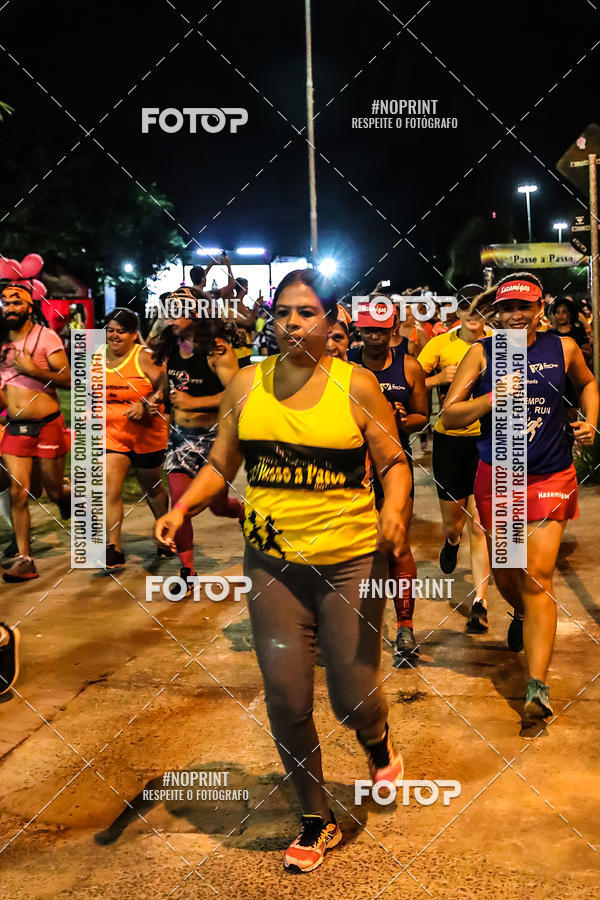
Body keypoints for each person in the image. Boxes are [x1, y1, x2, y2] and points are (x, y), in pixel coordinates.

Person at [155, 269, 411, 874]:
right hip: (271, 564)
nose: (294, 323)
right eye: (283, 313)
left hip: (351, 562)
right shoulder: (247, 383)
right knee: (287, 699)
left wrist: (396, 509)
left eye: (307, 312)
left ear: (331, 321)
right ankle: (315, 818)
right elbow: (222, 462)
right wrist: (183, 505)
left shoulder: (359, 387)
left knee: (351, 698)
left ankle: (375, 740)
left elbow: (394, 460)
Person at [441, 272, 598, 719]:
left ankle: (537, 686)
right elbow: (450, 417)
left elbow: (587, 384)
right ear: (497, 314)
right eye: (507, 308)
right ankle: (522, 615)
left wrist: (590, 421)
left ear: (539, 310)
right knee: (509, 577)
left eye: (523, 307)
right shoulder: (482, 353)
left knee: (538, 577)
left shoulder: (561, 348)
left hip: (551, 474)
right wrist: (492, 398)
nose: (515, 315)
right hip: (500, 478)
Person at [348, 300, 428, 664]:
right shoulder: (345, 365)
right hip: (350, 468)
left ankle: (405, 628)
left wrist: (400, 420)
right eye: (368, 330)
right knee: (351, 548)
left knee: (397, 543)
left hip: (395, 464)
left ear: (393, 329)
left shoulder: (408, 367)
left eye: (381, 330)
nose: (375, 337)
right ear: (359, 331)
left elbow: (422, 417)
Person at [149, 287, 243, 585]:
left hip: (214, 437)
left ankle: (243, 513)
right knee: (181, 502)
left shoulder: (218, 351)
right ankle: (187, 570)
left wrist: (195, 403)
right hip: (179, 437)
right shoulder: (171, 348)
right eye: (168, 311)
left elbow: (237, 393)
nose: (170, 318)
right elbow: (168, 386)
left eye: (177, 311)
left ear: (197, 313)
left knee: (217, 507)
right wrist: (156, 399)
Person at [417, 285, 491, 633]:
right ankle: (450, 541)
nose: (473, 315)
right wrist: (437, 378)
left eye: (479, 308)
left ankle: (480, 601)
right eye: (467, 307)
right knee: (455, 524)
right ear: (458, 311)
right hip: (449, 441)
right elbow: (412, 381)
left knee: (480, 523)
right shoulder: (439, 344)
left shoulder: (496, 342)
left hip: (485, 441)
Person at [0, 281, 71, 582]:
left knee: (53, 491)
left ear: (30, 306)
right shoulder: (0, 343)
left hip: (47, 426)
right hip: (15, 427)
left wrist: (31, 370)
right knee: (19, 492)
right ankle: (25, 560)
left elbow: (68, 378)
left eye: (17, 302)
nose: (10, 307)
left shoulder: (46, 337)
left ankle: (67, 496)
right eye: (5, 302)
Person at [101, 309, 169, 569]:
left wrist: (146, 402)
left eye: (120, 331)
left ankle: (165, 533)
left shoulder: (145, 358)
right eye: (110, 330)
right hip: (113, 437)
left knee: (151, 488)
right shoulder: (97, 359)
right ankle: (113, 548)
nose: (114, 335)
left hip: (146, 435)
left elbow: (165, 386)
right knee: (110, 489)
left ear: (133, 334)